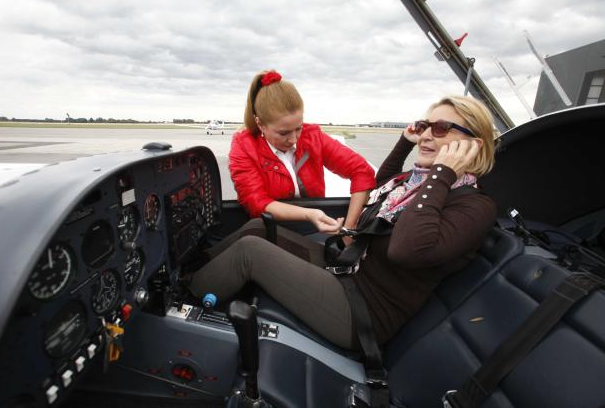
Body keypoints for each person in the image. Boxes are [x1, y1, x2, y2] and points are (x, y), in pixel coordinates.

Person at [189, 95, 497, 349]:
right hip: (347, 271)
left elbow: (406, 248)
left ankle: (180, 303)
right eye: (425, 126)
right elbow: (382, 186)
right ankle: (193, 273)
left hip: (363, 311)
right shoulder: (414, 185)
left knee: (251, 252)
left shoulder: (472, 205)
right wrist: (405, 142)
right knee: (258, 228)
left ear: (474, 144)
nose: (427, 135)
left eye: (441, 128)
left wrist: (444, 173)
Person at [227, 70, 376, 241]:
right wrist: (309, 215)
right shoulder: (244, 146)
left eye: (298, 128)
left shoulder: (312, 136)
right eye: (283, 133)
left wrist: (349, 229)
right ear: (260, 123)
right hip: (272, 230)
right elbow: (256, 202)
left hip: (314, 227)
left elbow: (361, 171)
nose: (293, 139)